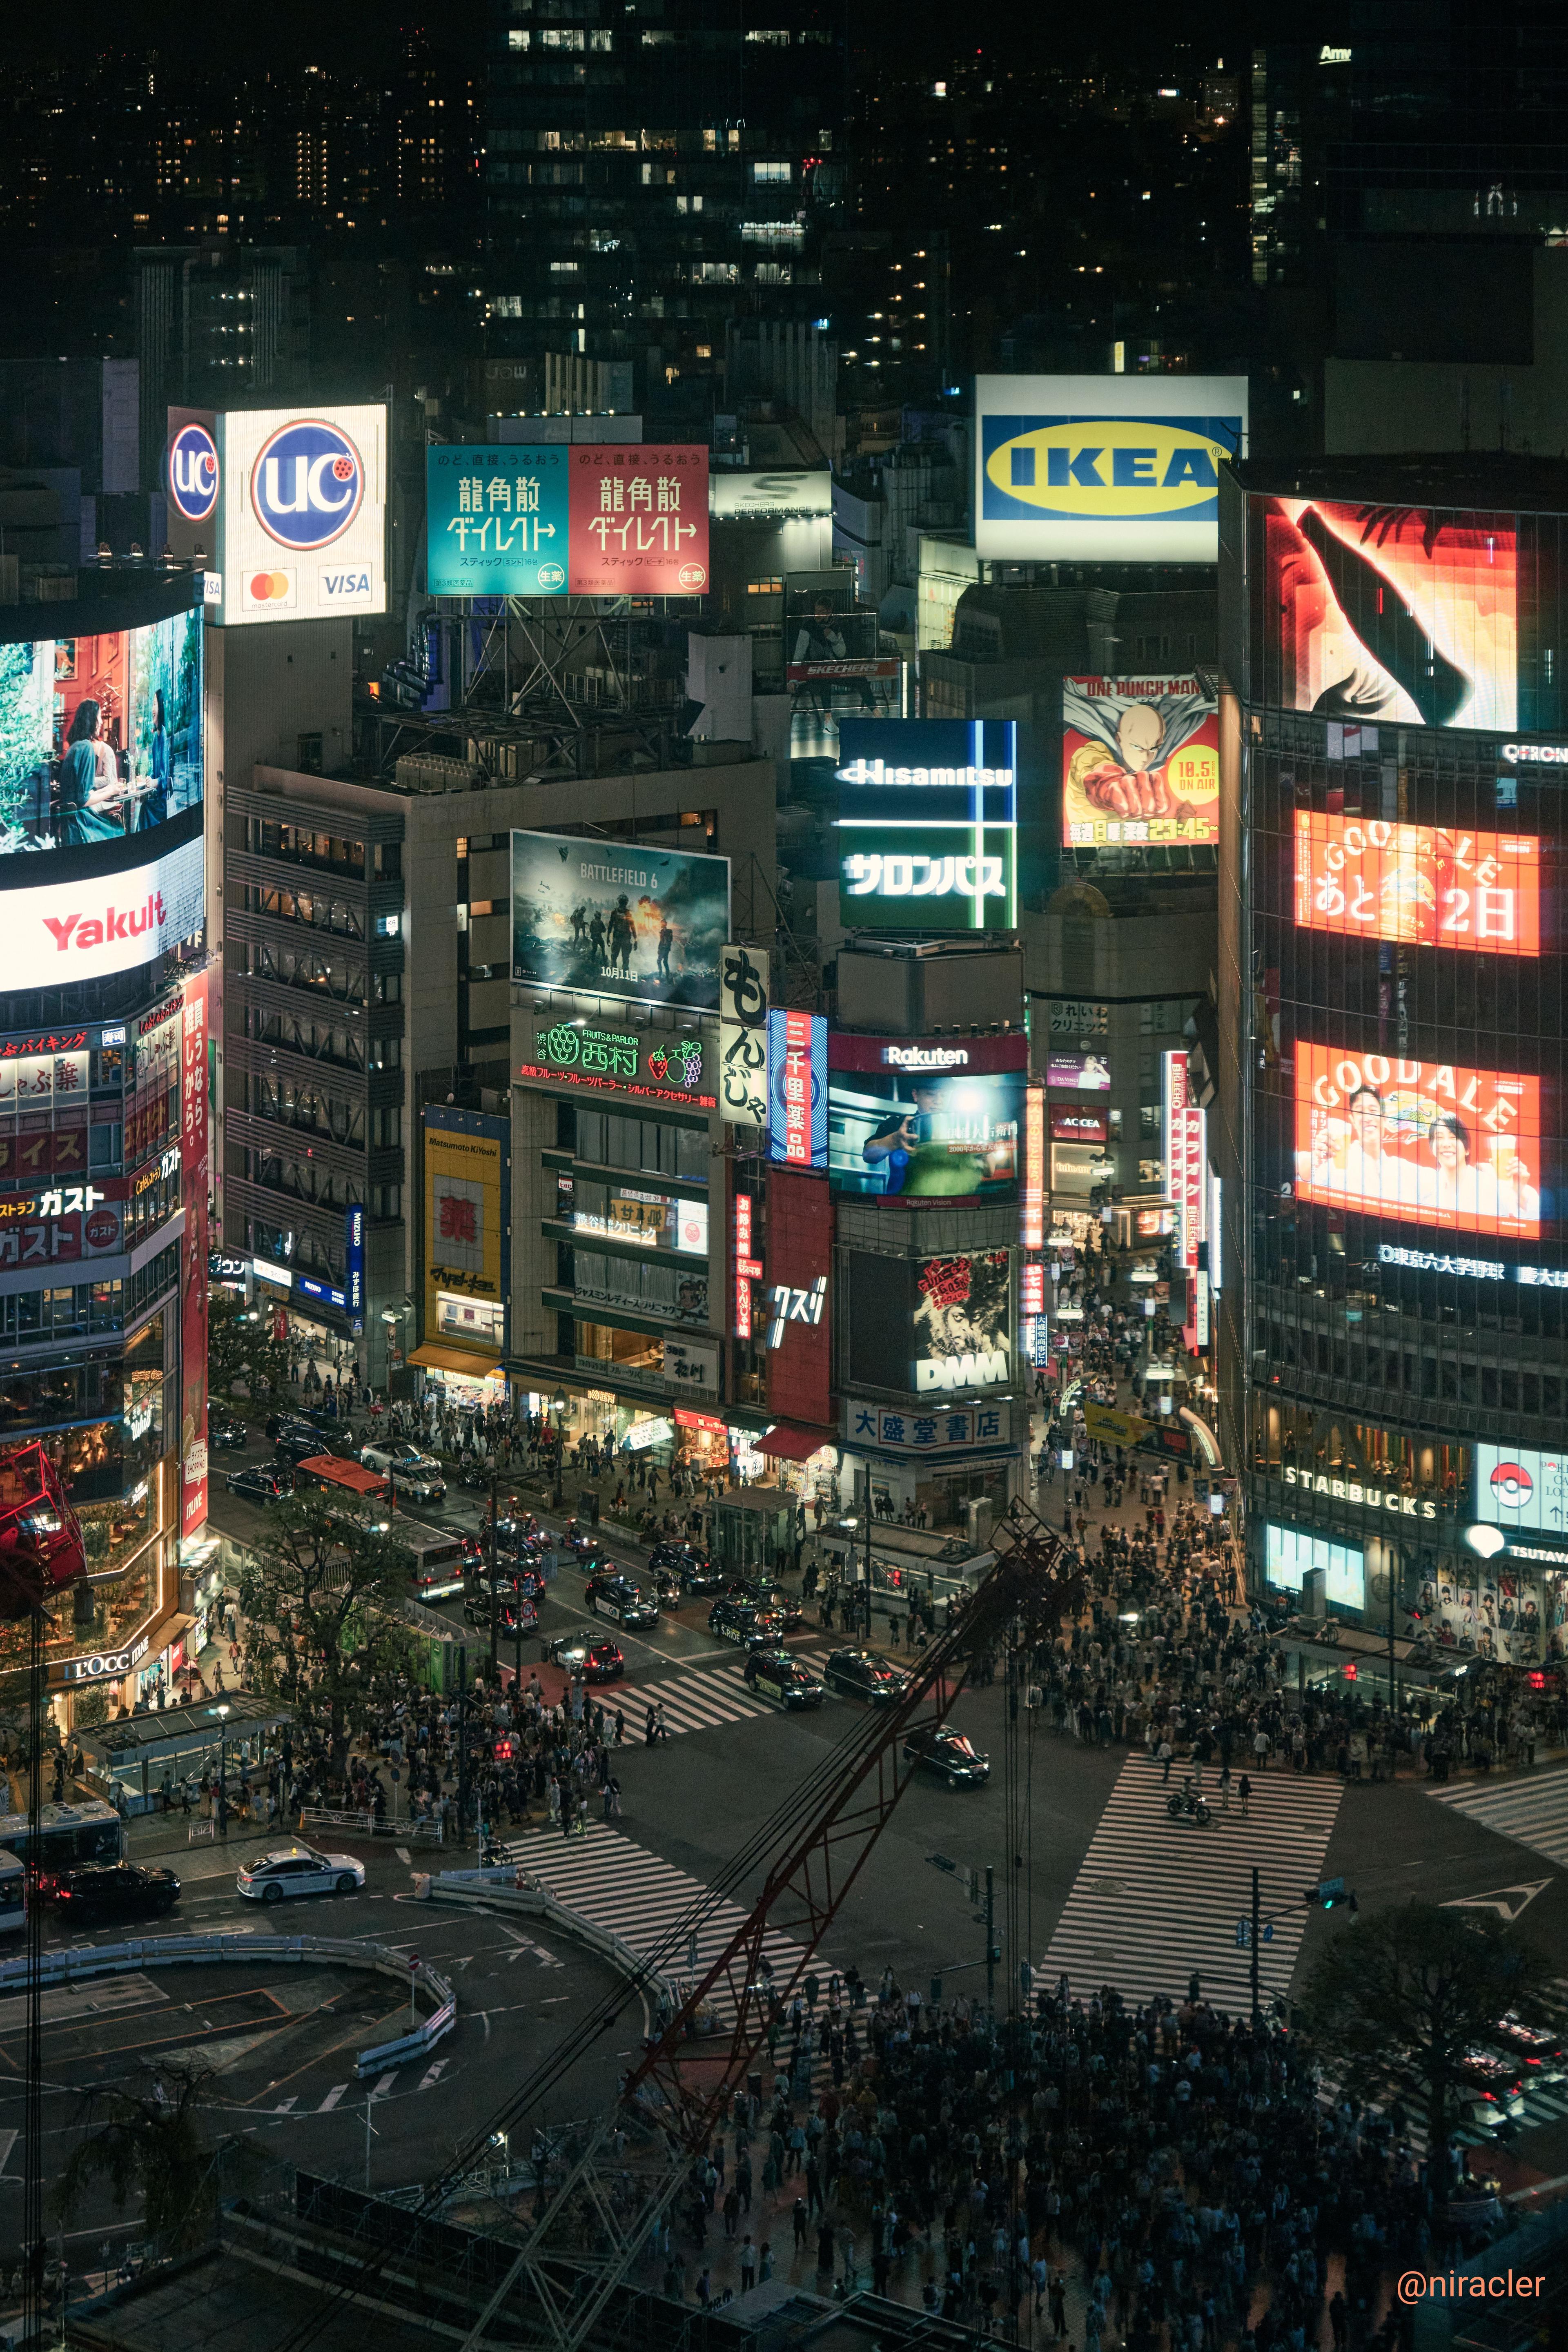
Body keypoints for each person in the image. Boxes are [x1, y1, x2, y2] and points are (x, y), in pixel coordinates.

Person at [55, 702, 122, 845]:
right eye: (99, 717)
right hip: (80, 823)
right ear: (92, 720)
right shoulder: (86, 748)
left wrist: (109, 789)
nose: (102, 721)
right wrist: (110, 792)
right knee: (119, 833)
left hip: (71, 821)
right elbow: (84, 800)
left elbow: (81, 793)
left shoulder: (76, 746)